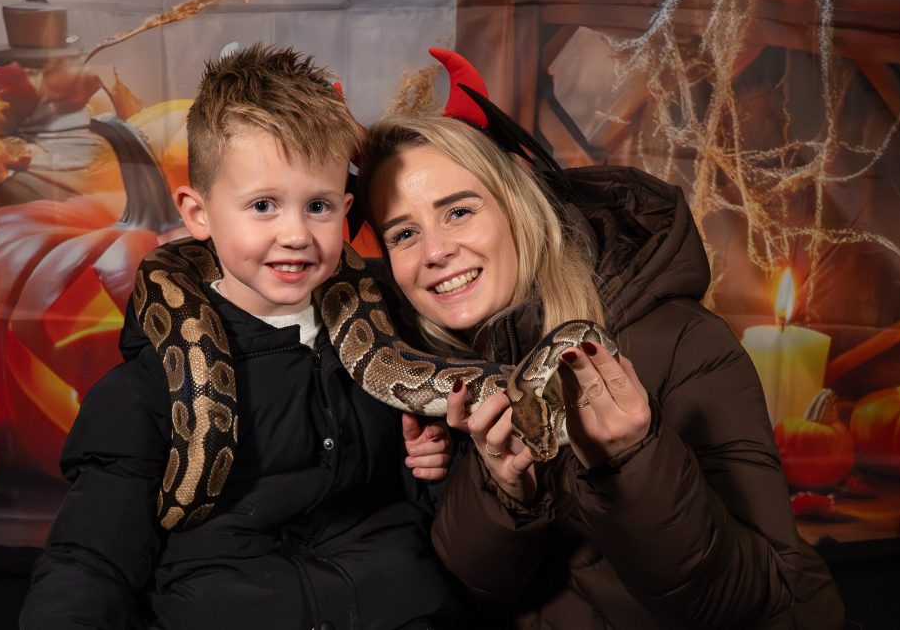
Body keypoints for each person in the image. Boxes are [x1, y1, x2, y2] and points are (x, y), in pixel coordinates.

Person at [355, 49, 845, 629]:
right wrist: (503, 488)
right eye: (403, 233)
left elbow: (759, 600)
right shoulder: (429, 377)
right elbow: (468, 595)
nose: (435, 251)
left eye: (458, 212)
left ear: (518, 206)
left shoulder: (684, 344)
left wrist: (633, 460)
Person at [20, 44, 459, 630]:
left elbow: (428, 517)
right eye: (263, 205)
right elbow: (90, 558)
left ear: (347, 210)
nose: (295, 234)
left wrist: (432, 466)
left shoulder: (394, 343)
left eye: (319, 206)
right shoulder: (145, 393)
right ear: (197, 214)